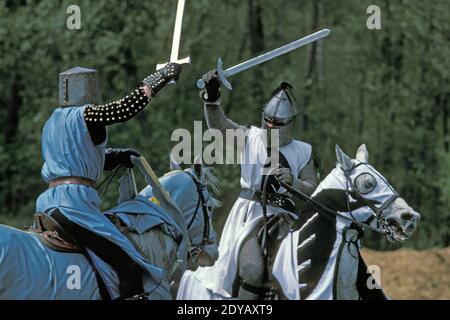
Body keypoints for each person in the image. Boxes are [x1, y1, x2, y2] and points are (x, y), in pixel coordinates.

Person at [36, 64, 181, 300]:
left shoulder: (51, 123)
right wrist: (158, 79)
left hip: (47, 204)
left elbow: (74, 160)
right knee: (131, 268)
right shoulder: (86, 116)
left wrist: (114, 157)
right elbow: (123, 109)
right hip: (74, 207)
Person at [177, 70, 319, 299]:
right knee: (252, 270)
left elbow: (313, 190)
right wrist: (212, 97)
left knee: (297, 275)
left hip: (285, 217)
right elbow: (219, 127)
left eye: (278, 123)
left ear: (290, 123)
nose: (271, 126)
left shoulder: (303, 151)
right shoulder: (250, 137)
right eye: (269, 121)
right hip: (250, 215)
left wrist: (294, 182)